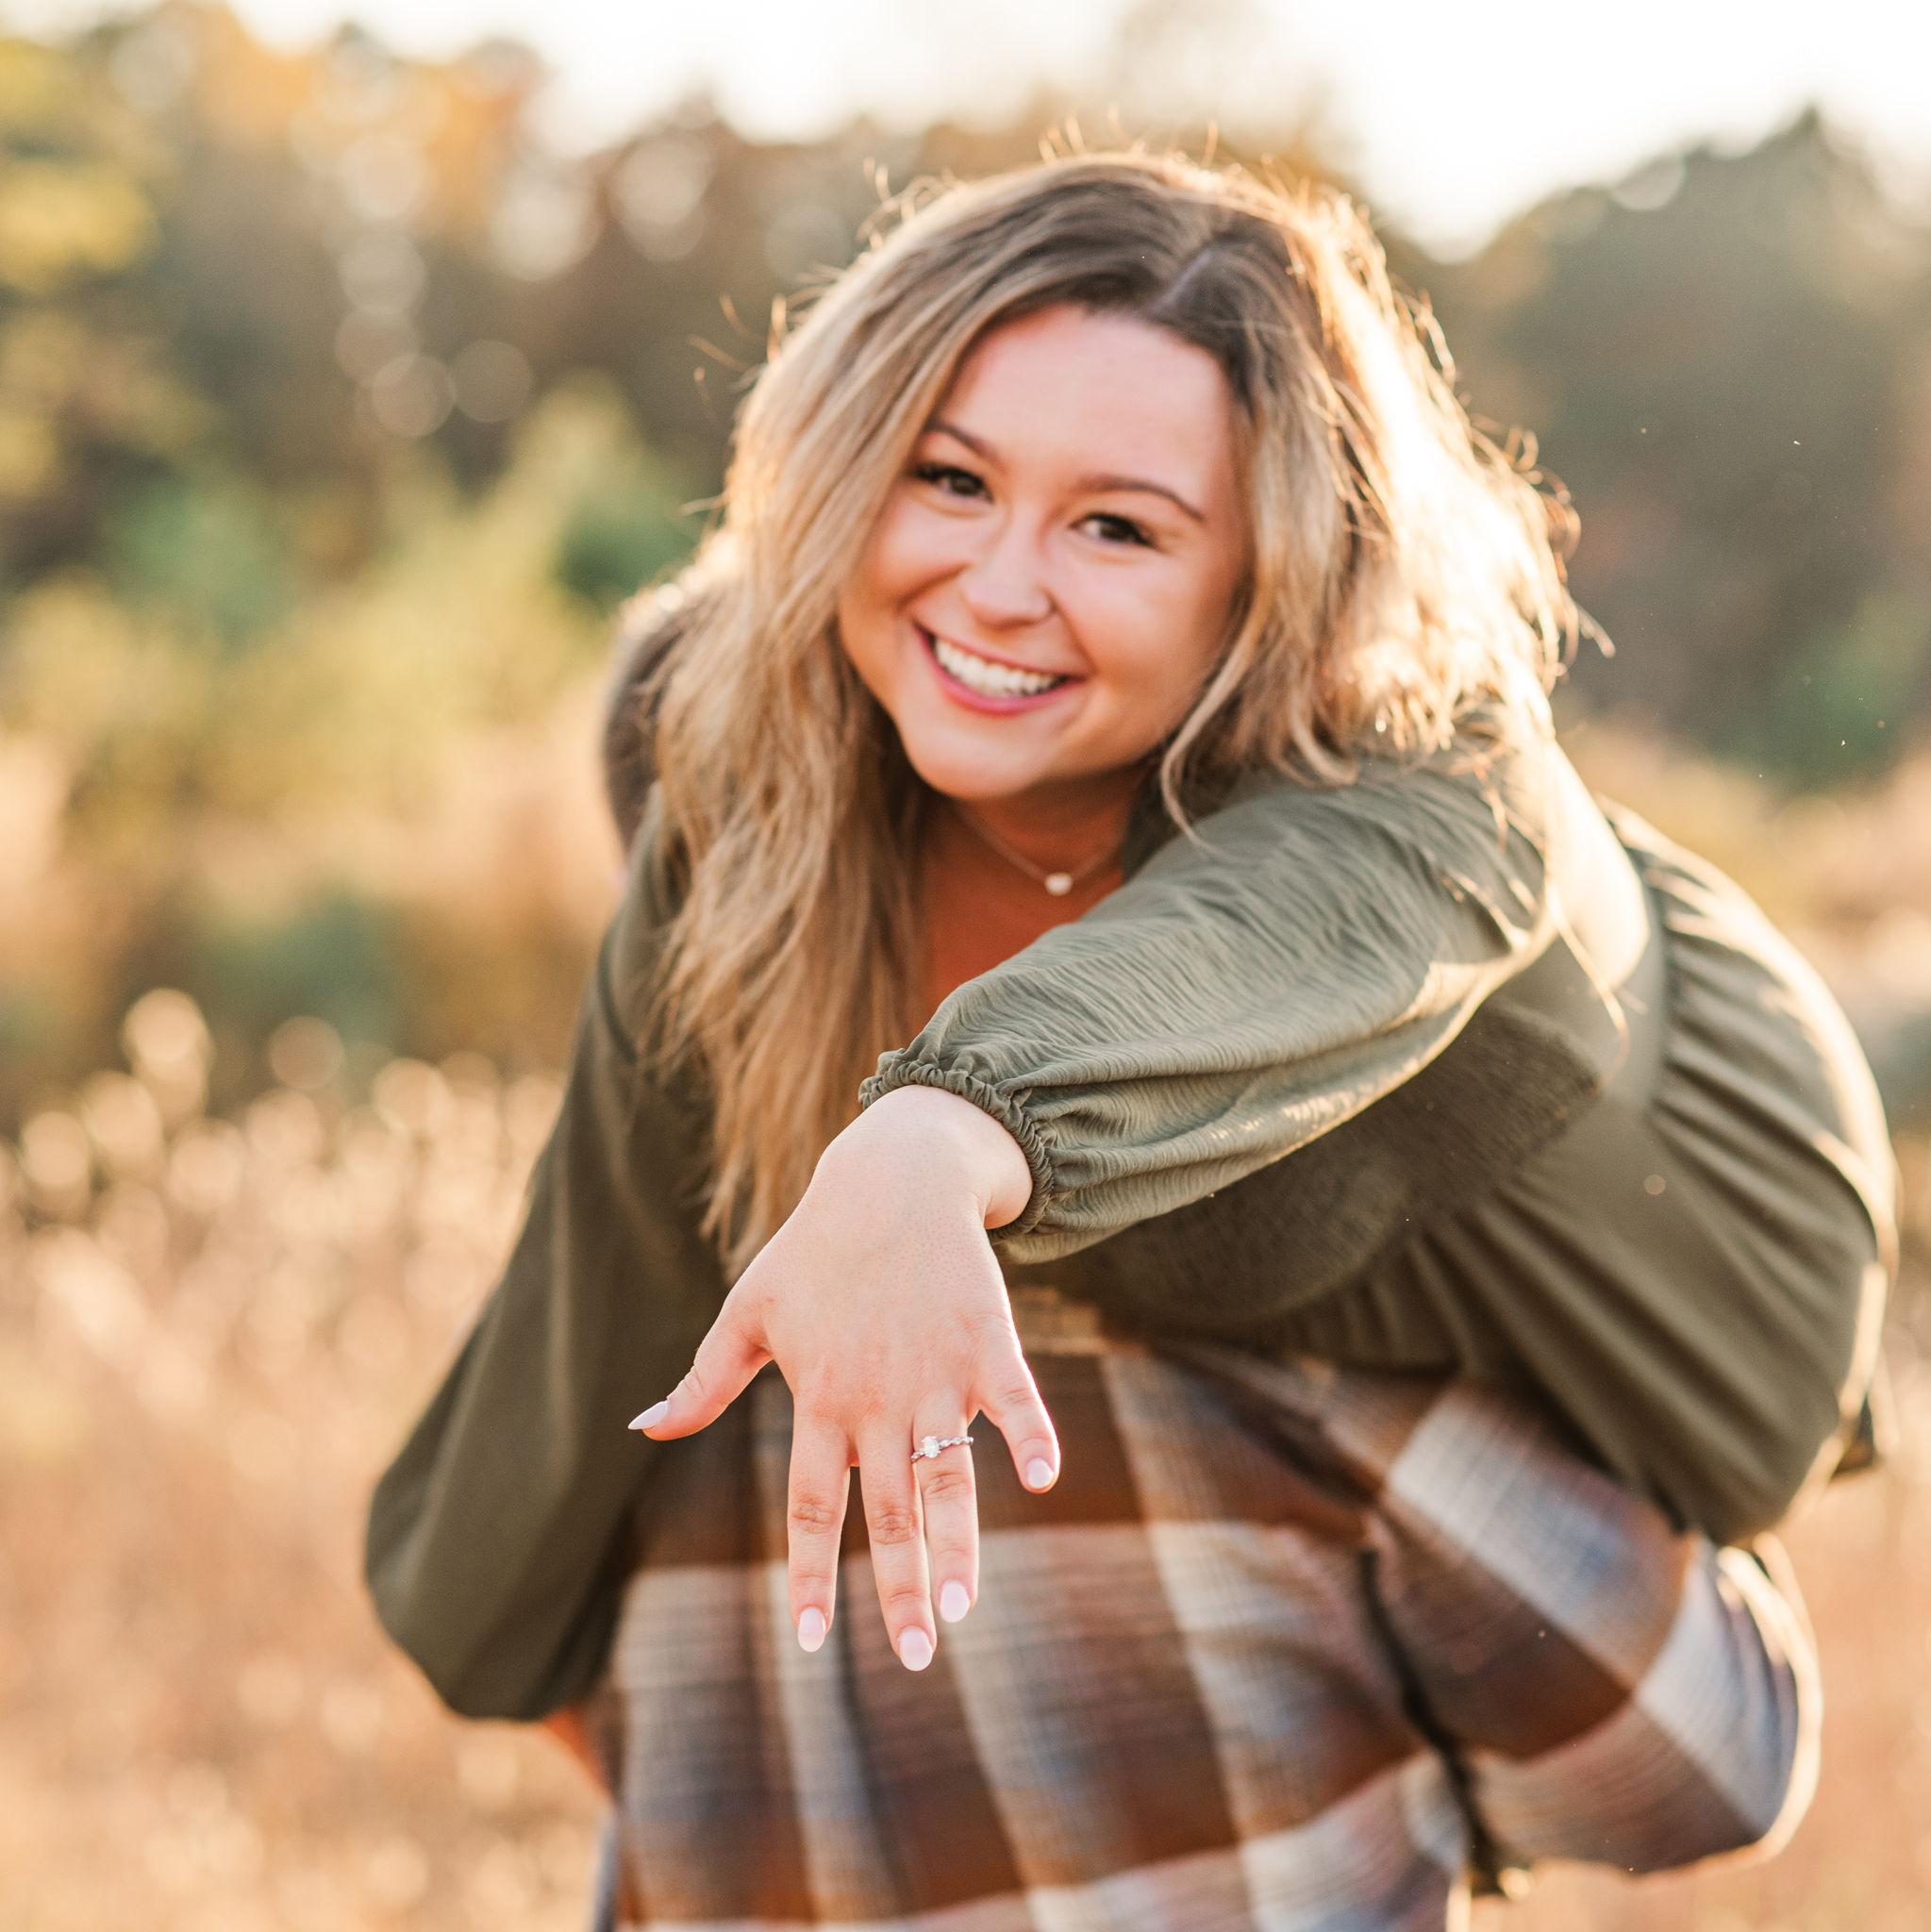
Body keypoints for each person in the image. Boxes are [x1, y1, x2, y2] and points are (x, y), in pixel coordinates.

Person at [364, 150, 1895, 1929]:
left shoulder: (1434, 776)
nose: (998, 586)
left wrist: (933, 1139)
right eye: (948, 479)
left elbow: (1264, 942)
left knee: (1019, 1351)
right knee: (787, 1393)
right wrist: (547, 1658)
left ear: (1272, 578)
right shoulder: (756, 757)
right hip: (1217, 1476)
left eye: (1119, 527)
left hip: (1635, 1382)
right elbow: (610, 1283)